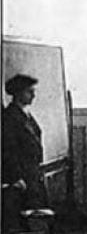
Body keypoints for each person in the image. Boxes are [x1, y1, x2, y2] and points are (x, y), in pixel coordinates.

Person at [2, 73, 49, 211]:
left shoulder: (25, 115)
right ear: (18, 93)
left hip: (32, 174)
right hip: (21, 179)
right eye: (30, 92)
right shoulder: (9, 117)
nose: (33, 95)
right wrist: (16, 177)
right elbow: (8, 151)